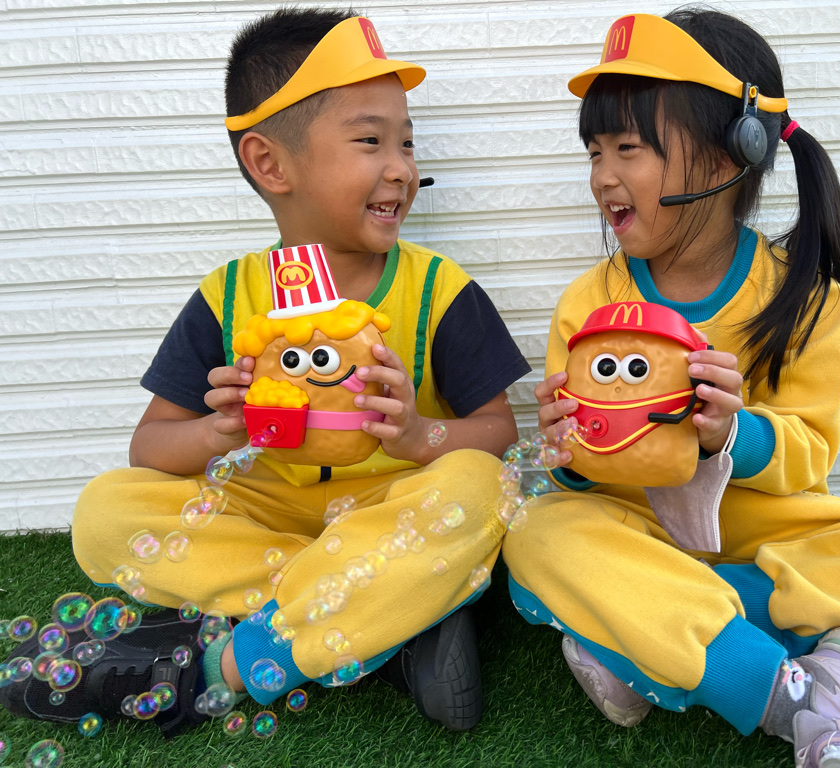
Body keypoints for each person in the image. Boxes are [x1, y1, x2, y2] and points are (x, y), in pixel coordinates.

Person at [502, 8, 840, 767]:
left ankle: (647, 641)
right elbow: (573, 475)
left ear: (732, 153)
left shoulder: (807, 299)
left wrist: (731, 432)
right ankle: (798, 697)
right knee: (539, 534)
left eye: (628, 149)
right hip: (633, 533)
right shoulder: (589, 304)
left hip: (768, 542)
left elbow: (810, 454)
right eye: (594, 151)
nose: (602, 176)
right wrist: (571, 452)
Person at [2, 7, 528, 736]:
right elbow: (149, 448)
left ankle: (231, 660)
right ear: (271, 164)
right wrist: (217, 431)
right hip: (268, 512)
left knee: (481, 487)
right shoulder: (227, 296)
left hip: (393, 506)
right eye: (371, 141)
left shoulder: (441, 290)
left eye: (407, 142)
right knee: (104, 514)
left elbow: (499, 433)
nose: (402, 167)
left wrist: (418, 436)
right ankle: (390, 622)